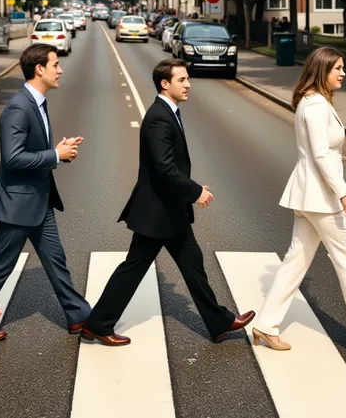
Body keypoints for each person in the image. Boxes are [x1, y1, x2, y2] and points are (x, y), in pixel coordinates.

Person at [81, 59, 255, 346]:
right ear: (165, 83)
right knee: (134, 268)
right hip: (158, 212)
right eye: (182, 79)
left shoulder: (168, 112)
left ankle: (219, 321)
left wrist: (190, 189)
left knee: (192, 264)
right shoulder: (159, 116)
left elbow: (169, 165)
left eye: (188, 79)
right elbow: (164, 168)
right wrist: (195, 190)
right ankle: (98, 325)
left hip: (170, 210)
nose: (188, 84)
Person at [0, 43, 91, 343]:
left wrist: (59, 152)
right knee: (0, 266)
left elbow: (31, 150)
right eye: (55, 64)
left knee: (56, 262)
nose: (60, 69)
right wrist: (54, 155)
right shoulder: (18, 107)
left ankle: (78, 316)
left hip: (39, 200)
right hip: (19, 202)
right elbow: (12, 158)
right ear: (39, 69)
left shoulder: (38, 103)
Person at [252, 47, 346, 357]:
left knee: (296, 260)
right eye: (338, 68)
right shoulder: (315, 105)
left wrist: (338, 159)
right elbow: (317, 154)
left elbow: (322, 151)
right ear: (322, 70)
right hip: (321, 197)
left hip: (308, 194)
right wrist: (343, 190)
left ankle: (266, 325)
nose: (343, 73)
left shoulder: (315, 102)